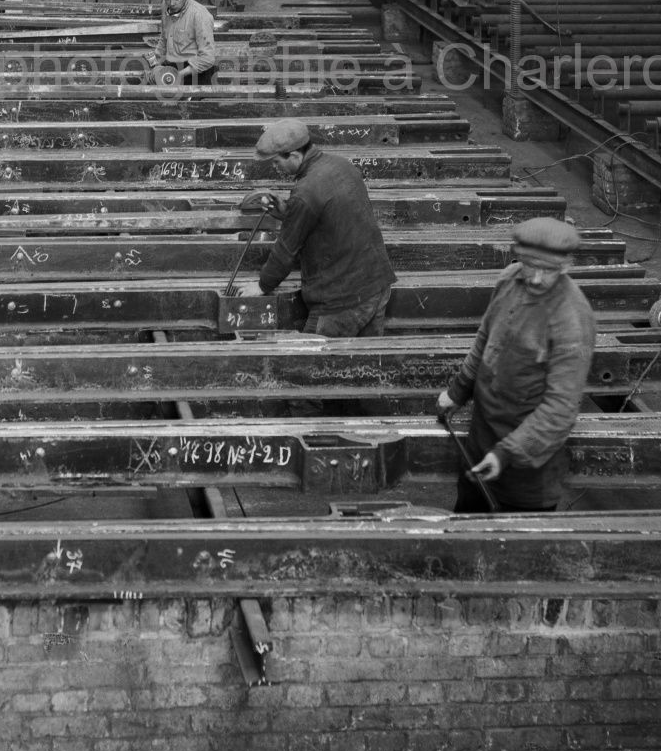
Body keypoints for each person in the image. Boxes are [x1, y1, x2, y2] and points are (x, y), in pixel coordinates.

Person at [433, 218, 595, 513]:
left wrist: (506, 454)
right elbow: (484, 342)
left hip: (526, 472)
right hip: (480, 442)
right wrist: (457, 392)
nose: (535, 279)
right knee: (465, 534)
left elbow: (560, 409)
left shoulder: (572, 317)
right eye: (531, 266)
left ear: (566, 265)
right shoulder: (509, 280)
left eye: (548, 271)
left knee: (513, 552)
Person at [253, 118, 396, 336]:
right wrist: (288, 213)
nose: (275, 168)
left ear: (293, 155)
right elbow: (333, 218)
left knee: (315, 366)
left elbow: (286, 250)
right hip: (377, 284)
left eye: (275, 162)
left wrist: (262, 286)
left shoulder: (305, 192)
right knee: (366, 363)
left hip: (342, 303)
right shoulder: (341, 164)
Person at [147, 0, 218, 85]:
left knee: (185, 102)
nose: (172, 3)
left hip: (195, 71)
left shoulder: (199, 15)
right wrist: (157, 65)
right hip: (173, 66)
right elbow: (163, 39)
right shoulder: (167, 7)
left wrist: (178, 75)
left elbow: (208, 57)